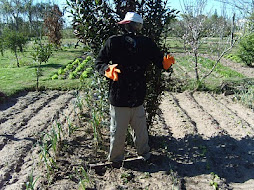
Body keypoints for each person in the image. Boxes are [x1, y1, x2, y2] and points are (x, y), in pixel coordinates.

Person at [95, 12, 175, 164]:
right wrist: (106, 69)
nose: (132, 27)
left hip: (138, 95)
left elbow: (158, 61)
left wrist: (165, 63)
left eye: (134, 25)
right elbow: (99, 62)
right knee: (118, 132)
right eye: (131, 25)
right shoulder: (114, 42)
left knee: (141, 131)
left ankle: (145, 155)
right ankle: (116, 160)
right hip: (119, 96)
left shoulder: (146, 43)